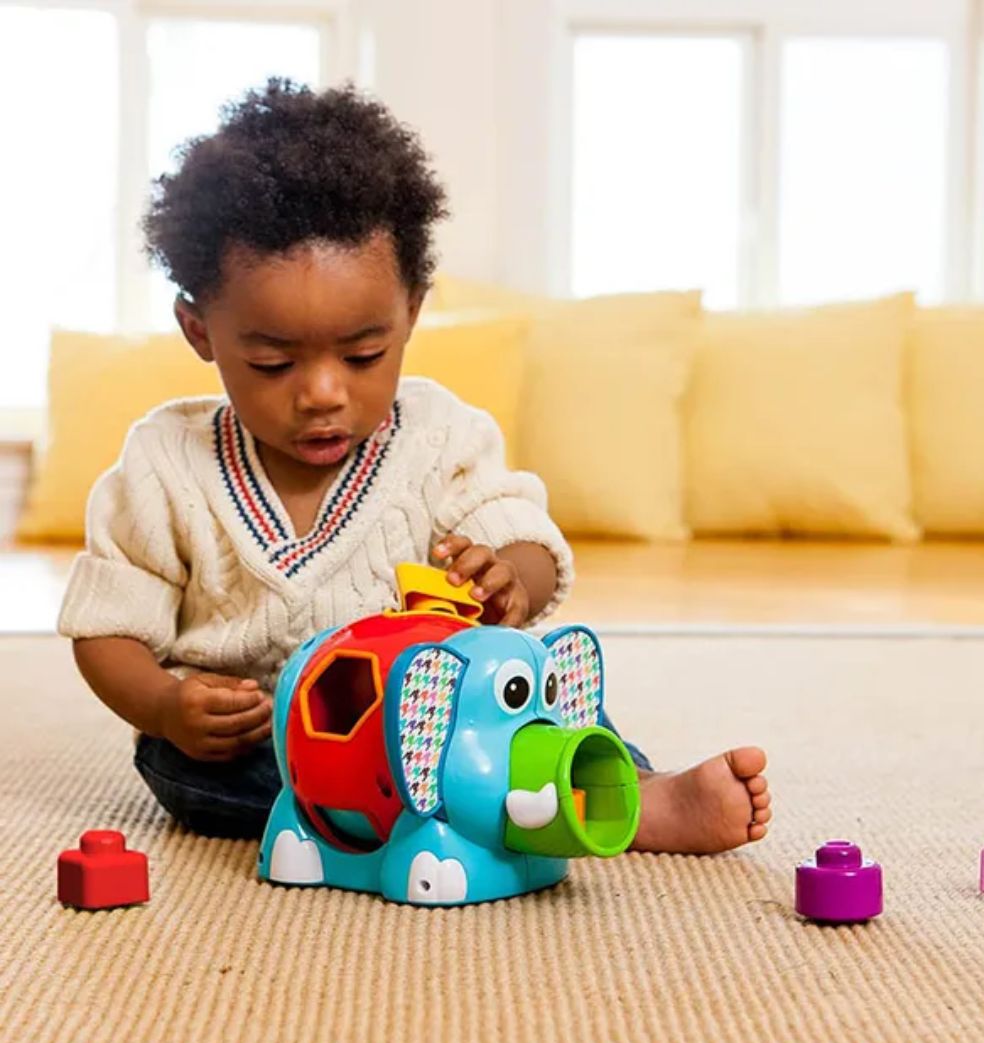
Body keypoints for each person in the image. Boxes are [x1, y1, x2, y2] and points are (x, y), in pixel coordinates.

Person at [59, 79, 771, 854]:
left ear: (412, 313)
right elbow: (107, 629)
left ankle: (633, 797)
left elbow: (524, 539)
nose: (323, 394)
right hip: (269, 745)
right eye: (272, 362)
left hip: (447, 721)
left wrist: (506, 579)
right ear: (200, 330)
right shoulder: (166, 459)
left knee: (548, 702)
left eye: (365, 355)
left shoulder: (439, 433)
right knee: (204, 777)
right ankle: (483, 813)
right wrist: (166, 705)